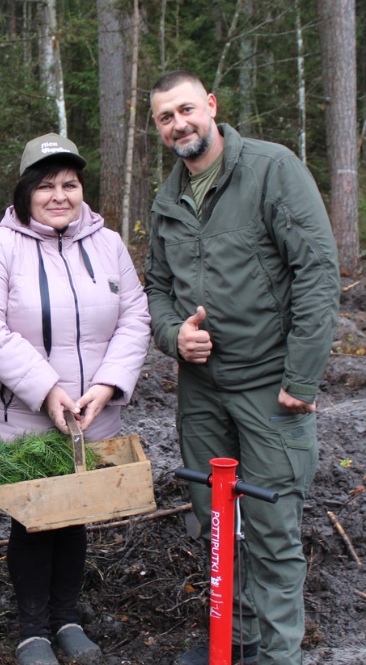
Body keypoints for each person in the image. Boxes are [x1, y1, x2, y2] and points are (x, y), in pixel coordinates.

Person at [145, 71, 341, 665]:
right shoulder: (165, 198)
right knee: (214, 526)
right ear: (157, 129)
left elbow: (317, 271)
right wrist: (173, 336)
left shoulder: (271, 169)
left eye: (186, 110)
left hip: (269, 387)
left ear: (210, 105)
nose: (179, 124)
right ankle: (234, 640)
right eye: (164, 118)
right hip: (201, 394)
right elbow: (156, 287)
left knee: (273, 526)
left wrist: (301, 378)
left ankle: (279, 655)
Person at [0, 134, 151, 665]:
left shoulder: (108, 244)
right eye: (45, 186)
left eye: (69, 184)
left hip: (91, 412)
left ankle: (67, 618)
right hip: (21, 411)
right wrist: (46, 391)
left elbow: (135, 317)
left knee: (76, 515)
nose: (59, 195)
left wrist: (108, 385)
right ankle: (32, 631)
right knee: (35, 518)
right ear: (25, 192)